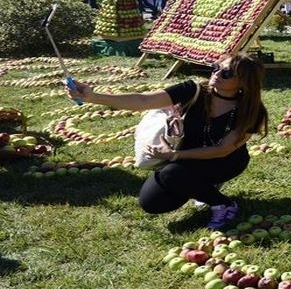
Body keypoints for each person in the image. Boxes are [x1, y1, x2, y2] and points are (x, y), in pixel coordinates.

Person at [65, 53, 269, 229]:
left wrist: (174, 156)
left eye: (226, 73)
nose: (216, 73)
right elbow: (143, 101)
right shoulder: (193, 90)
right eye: (216, 68)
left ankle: (223, 204)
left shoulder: (251, 110)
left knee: (172, 172)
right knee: (152, 203)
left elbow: (223, 150)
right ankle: (201, 185)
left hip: (225, 161)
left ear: (243, 82)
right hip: (188, 155)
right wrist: (94, 96)